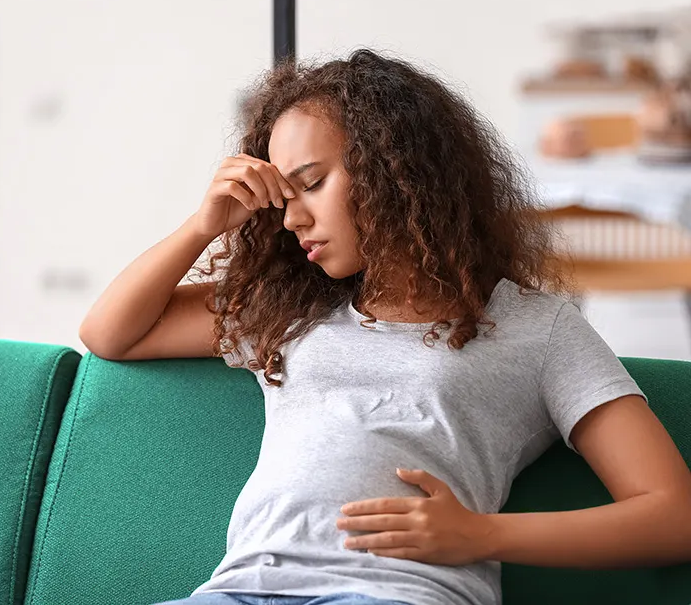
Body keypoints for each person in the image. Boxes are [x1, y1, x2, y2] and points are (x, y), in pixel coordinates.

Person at [78, 48, 691, 605]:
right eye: (283, 195)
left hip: (395, 592)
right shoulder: (289, 308)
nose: (293, 217)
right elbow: (111, 335)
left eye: (313, 183)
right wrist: (202, 226)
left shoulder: (539, 329)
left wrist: (481, 535)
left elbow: (673, 516)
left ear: (397, 172)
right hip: (241, 589)